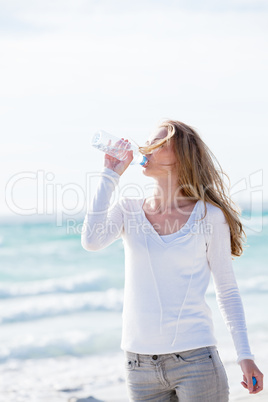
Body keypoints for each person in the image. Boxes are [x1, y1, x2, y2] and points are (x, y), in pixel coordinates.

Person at [81, 120, 263, 401]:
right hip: (139, 366)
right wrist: (109, 174)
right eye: (148, 142)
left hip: (196, 362)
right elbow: (91, 241)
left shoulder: (208, 216)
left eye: (159, 143)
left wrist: (245, 356)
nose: (147, 148)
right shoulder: (128, 209)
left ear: (182, 156)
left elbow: (227, 291)